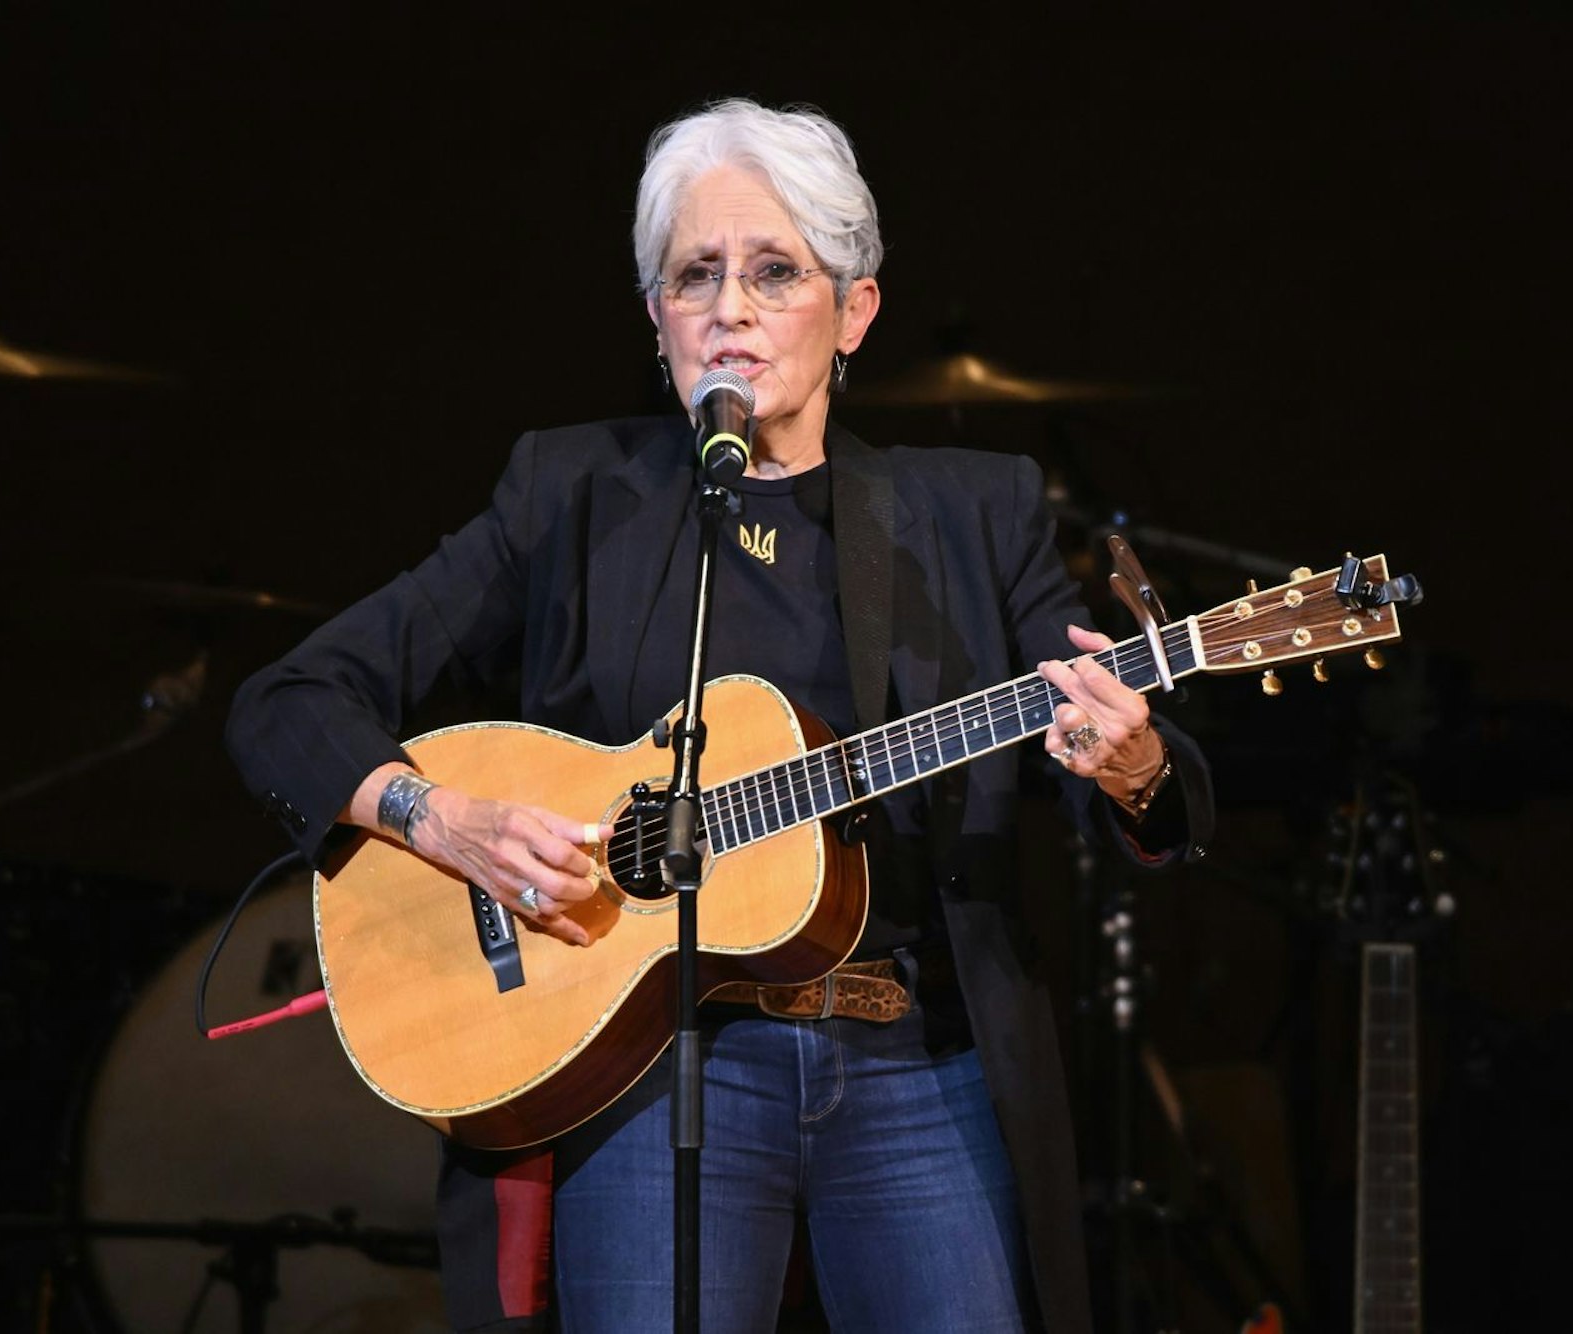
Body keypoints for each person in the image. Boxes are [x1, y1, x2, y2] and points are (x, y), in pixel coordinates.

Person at [225, 96, 1213, 1333]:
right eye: (695, 274)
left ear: (853, 310)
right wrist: (440, 816)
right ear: (655, 319)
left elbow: (1115, 767)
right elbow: (289, 700)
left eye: (773, 271)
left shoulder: (973, 510)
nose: (730, 309)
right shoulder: (569, 494)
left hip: (914, 1058)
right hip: (646, 1068)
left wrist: (1123, 763)